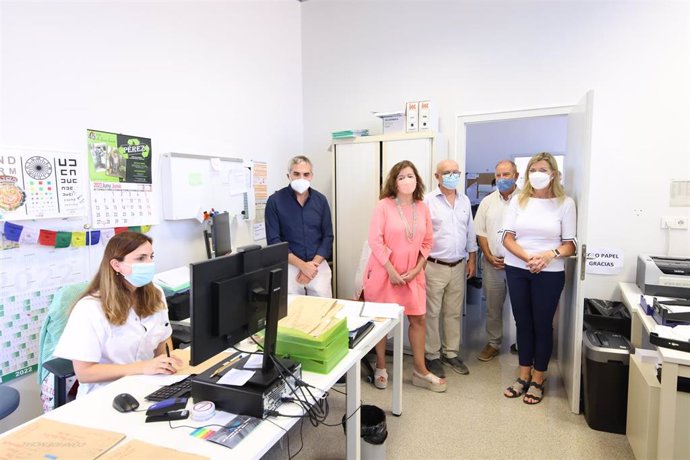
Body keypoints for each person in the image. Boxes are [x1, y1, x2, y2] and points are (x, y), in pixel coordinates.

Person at [54, 231, 182, 397]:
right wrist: (143, 367)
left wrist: (166, 364)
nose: (149, 263)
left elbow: (163, 338)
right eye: (141, 258)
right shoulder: (90, 308)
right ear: (116, 265)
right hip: (106, 394)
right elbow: (84, 373)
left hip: (149, 384)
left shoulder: (155, 293)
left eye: (151, 256)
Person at [363, 160, 446, 392]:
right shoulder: (383, 206)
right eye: (401, 177)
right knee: (381, 320)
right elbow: (375, 240)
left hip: (413, 274)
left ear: (417, 180)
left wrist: (418, 268)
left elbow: (428, 241)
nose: (407, 181)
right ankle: (381, 366)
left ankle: (420, 370)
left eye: (410, 176)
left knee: (418, 319)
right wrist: (391, 270)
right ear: (394, 182)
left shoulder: (422, 207)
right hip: (385, 273)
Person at [501, 152, 576, 405]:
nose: (537, 174)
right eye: (533, 169)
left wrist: (548, 255)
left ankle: (539, 377)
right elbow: (507, 237)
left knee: (542, 324)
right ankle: (523, 374)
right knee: (522, 322)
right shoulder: (518, 201)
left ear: (553, 174)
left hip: (550, 271)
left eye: (542, 169)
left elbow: (570, 244)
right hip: (518, 268)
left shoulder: (565, 203)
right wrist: (527, 258)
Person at [423, 159, 478, 378]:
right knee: (432, 314)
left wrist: (472, 259)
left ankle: (451, 352)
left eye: (456, 172)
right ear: (437, 176)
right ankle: (432, 356)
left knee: (453, 313)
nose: (452, 175)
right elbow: (421, 235)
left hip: (459, 265)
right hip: (434, 266)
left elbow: (470, 232)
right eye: (447, 172)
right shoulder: (427, 201)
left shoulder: (464, 201)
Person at [265, 155, 334, 297]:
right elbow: (274, 241)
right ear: (288, 175)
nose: (301, 178)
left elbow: (328, 236)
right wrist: (302, 266)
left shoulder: (320, 200)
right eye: (296, 174)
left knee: (323, 312)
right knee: (293, 313)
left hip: (318, 266)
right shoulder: (275, 201)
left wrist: (312, 266)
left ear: (311, 176)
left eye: (306, 174)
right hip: (290, 267)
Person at [474, 160, 519, 362]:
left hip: (519, 265)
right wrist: (489, 255)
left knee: (522, 307)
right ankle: (493, 343)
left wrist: (513, 256)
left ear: (516, 176)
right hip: (492, 264)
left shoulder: (527, 200)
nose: (502, 179)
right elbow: (480, 232)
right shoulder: (487, 202)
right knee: (493, 307)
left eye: (506, 174)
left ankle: (522, 344)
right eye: (498, 175)